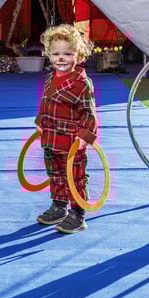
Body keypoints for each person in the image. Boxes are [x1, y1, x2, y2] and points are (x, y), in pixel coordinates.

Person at [34, 24, 99, 234]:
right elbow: (45, 103)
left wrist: (84, 138)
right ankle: (59, 206)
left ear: (78, 54)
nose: (61, 58)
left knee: (75, 177)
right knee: (56, 175)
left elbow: (89, 113)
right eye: (56, 54)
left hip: (72, 143)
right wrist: (39, 122)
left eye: (68, 53)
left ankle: (78, 213)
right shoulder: (49, 78)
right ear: (48, 54)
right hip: (51, 139)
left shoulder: (82, 83)